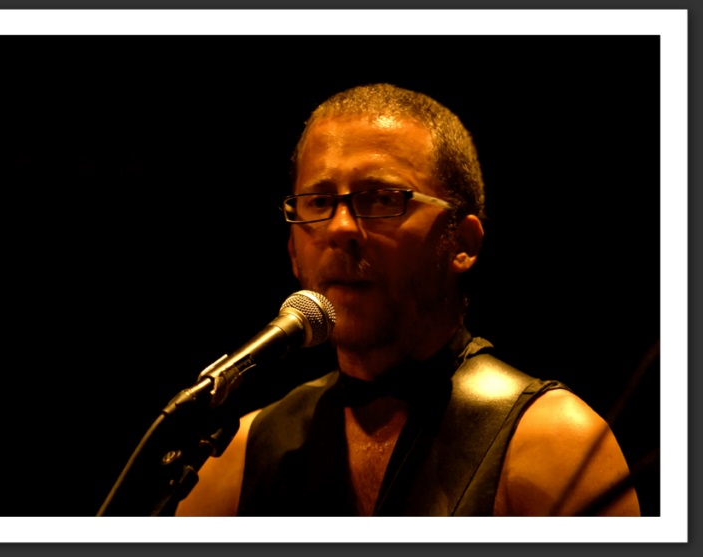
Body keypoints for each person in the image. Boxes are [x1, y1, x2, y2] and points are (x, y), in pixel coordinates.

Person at [174, 83, 640, 517]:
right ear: (293, 251)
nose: (339, 228)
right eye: (317, 202)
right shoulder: (234, 460)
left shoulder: (557, 443)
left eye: (380, 198)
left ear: (463, 243)